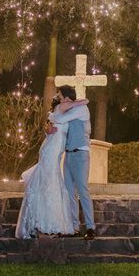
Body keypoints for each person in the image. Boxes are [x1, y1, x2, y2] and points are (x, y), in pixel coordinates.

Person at [14, 94, 88, 239]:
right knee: (48, 182)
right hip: (50, 151)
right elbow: (85, 101)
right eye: (61, 97)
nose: (63, 98)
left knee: (50, 182)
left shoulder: (62, 112)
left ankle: (47, 221)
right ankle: (43, 222)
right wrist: (77, 102)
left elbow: (54, 126)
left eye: (63, 95)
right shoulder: (61, 107)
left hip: (55, 151)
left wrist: (47, 129)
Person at [49, 85, 96, 241]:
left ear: (66, 97)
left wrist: (68, 107)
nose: (59, 98)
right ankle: (74, 228)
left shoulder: (82, 109)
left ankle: (90, 228)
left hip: (81, 154)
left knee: (83, 191)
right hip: (68, 155)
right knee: (70, 193)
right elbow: (54, 120)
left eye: (60, 96)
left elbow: (59, 118)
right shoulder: (71, 108)